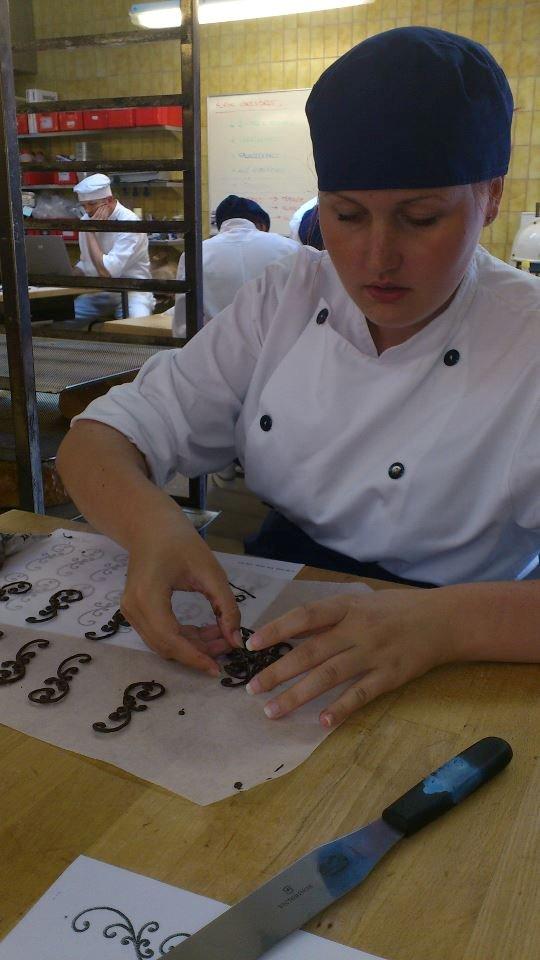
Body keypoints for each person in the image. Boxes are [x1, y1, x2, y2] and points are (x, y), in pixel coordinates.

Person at [57, 27, 540, 731]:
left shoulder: (527, 336)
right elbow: (97, 438)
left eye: (421, 218)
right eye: (346, 216)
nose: (377, 257)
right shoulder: (286, 297)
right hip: (277, 609)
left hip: (477, 653)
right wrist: (154, 527)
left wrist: (444, 625)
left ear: (490, 198)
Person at [171, 195, 298, 337]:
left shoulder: (195, 253)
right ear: (262, 225)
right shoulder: (290, 248)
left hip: (216, 350)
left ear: (220, 224)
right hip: (277, 348)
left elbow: (184, 324)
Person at [73, 174, 155, 322]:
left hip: (133, 292)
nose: (88, 211)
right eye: (84, 206)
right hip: (98, 292)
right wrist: (65, 274)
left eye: (92, 204)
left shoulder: (129, 222)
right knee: (63, 318)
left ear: (109, 201)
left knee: (137, 331)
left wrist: (91, 232)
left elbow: (107, 272)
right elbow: (86, 263)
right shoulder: (86, 220)